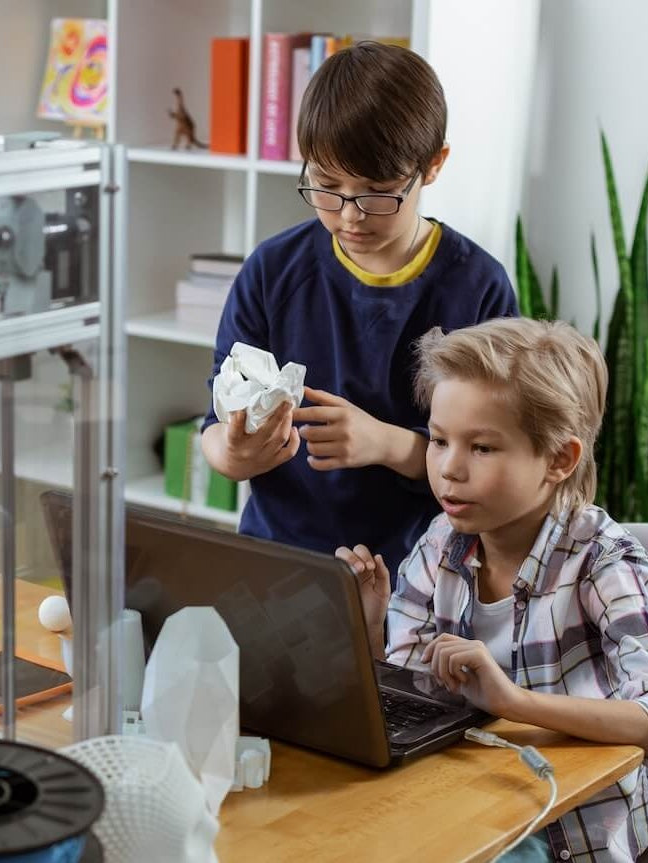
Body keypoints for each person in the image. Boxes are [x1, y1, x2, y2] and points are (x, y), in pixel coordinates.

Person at [337, 318, 648, 862]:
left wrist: (514, 702)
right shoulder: (442, 542)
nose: (448, 469)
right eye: (438, 440)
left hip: (566, 828)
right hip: (461, 801)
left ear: (559, 459)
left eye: (481, 448)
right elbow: (410, 694)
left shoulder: (603, 559)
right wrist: (367, 633)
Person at [201, 42, 517, 577]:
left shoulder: (476, 287)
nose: (349, 215)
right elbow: (215, 428)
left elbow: (496, 462)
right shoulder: (273, 270)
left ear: (433, 165)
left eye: (378, 193)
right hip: (278, 561)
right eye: (326, 186)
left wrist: (387, 444)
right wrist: (236, 455)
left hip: (419, 580)